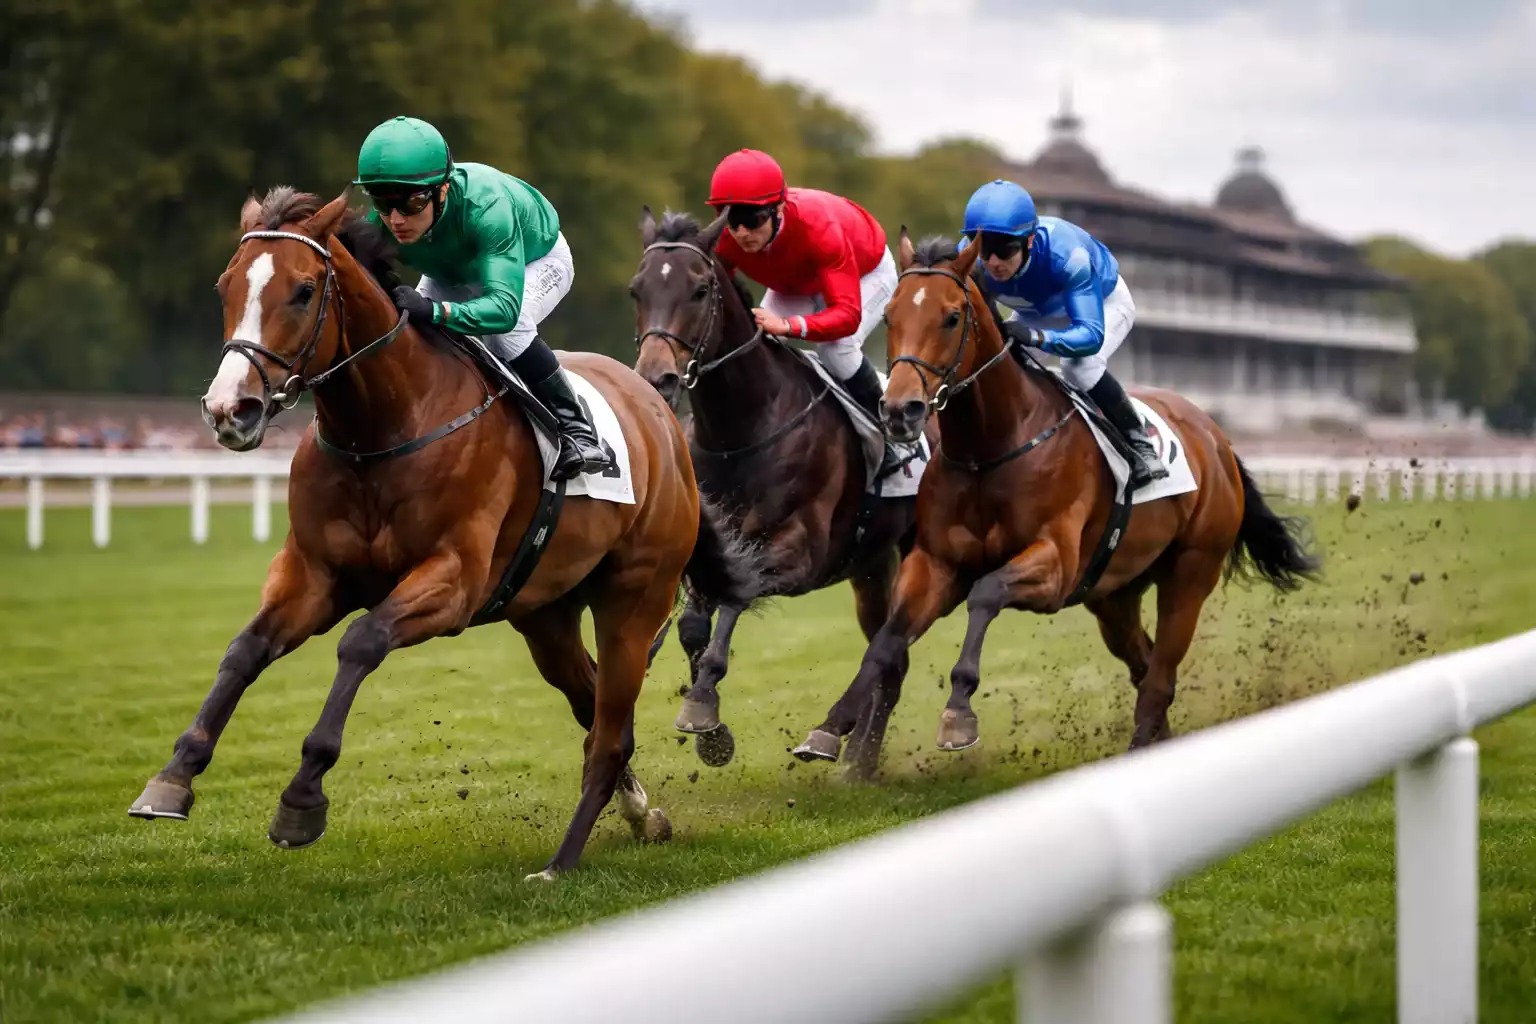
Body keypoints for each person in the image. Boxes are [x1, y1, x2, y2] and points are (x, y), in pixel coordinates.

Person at [353, 115, 610, 480]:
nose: (395, 219)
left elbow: (503, 308)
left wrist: (436, 310)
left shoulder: (488, 208)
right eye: (382, 202)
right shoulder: (384, 220)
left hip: (537, 260)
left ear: (442, 190)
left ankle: (578, 430)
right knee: (410, 331)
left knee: (508, 329)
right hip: (453, 270)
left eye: (410, 204)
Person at [961, 178, 1169, 489]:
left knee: (1080, 367)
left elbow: (1089, 336)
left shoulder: (1068, 257)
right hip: (1038, 312)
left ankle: (1139, 443)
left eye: (1004, 250)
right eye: (985, 248)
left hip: (1100, 306)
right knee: (1000, 363)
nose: (992, 262)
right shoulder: (967, 257)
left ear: (1029, 241)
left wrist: (1037, 337)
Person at [705, 148, 903, 470]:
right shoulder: (726, 240)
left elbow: (848, 316)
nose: (741, 232)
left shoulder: (818, 228)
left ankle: (888, 435)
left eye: (752, 220)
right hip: (798, 281)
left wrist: (791, 326)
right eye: (731, 219)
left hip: (867, 272)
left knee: (836, 350)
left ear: (778, 208)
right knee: (755, 343)